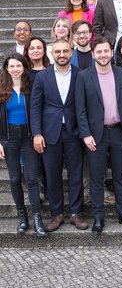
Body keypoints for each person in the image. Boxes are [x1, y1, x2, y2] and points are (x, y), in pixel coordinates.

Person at [75, 36, 122, 234]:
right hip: (95, 135)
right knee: (96, 178)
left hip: (119, 131)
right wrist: (85, 134)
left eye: (106, 51)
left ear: (111, 52)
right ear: (93, 54)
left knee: (120, 175)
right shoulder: (84, 76)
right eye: (98, 52)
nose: (103, 54)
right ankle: (98, 218)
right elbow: (80, 109)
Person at [30, 38, 87, 232]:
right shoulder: (42, 77)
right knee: (52, 175)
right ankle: (56, 214)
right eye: (57, 52)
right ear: (51, 54)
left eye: (65, 51)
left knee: (76, 173)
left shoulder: (81, 75)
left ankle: (75, 213)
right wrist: (36, 133)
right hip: (49, 132)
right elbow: (35, 106)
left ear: (71, 52)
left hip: (74, 131)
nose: (61, 55)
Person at [0, 53, 48, 237]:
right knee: (14, 179)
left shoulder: (32, 86)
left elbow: (39, 111)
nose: (15, 69)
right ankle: (22, 217)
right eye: (11, 66)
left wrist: (38, 134)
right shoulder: (2, 88)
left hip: (28, 136)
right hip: (9, 137)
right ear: (6, 68)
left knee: (32, 178)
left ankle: (37, 218)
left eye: (18, 66)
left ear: (24, 67)